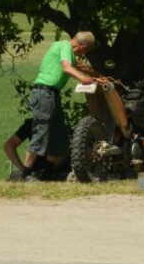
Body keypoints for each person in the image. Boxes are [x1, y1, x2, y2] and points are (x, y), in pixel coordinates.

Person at [23, 31, 96, 179]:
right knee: (41, 133)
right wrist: (84, 79)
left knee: (60, 138)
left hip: (52, 95)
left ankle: (45, 175)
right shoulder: (65, 47)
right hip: (45, 93)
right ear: (83, 46)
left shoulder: (66, 50)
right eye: (86, 51)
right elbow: (67, 68)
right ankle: (24, 175)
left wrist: (95, 76)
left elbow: (80, 67)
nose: (83, 54)